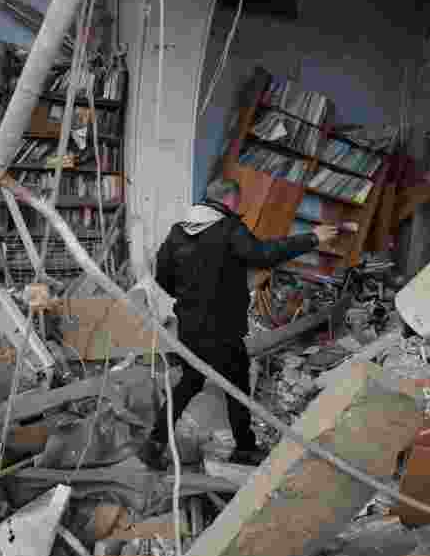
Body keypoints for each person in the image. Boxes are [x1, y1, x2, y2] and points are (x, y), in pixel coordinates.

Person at [138, 178, 339, 469]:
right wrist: (312, 238)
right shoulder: (229, 228)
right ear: (231, 200)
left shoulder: (178, 231)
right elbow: (262, 254)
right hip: (222, 327)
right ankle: (244, 448)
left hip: (190, 326)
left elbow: (162, 275)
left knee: (190, 382)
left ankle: (154, 444)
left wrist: (189, 300)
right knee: (237, 384)